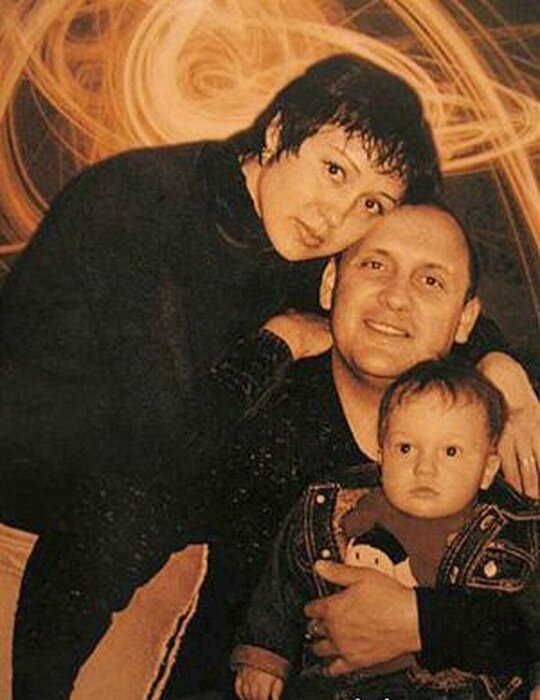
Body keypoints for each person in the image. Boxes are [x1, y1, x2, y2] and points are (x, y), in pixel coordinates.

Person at [0, 53, 534, 696]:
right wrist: (277, 343)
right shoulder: (142, 210)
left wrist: (504, 370)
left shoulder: (492, 430)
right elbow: (139, 481)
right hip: (23, 512)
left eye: (369, 202)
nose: (335, 217)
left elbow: (426, 256)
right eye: (333, 169)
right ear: (277, 132)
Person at [232, 358, 539, 700]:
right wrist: (264, 657)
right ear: (381, 455)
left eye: (451, 451)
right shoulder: (330, 512)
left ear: (487, 469)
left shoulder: (513, 533)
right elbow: (283, 584)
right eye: (405, 448)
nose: (425, 468)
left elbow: (531, 623)